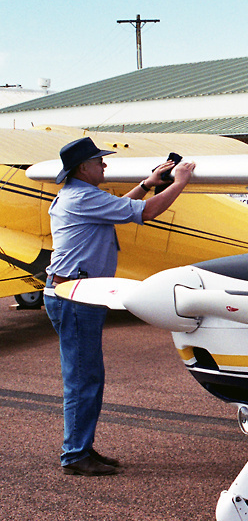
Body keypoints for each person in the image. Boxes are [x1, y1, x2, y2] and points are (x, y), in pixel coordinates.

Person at [44, 137, 196, 476]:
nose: (105, 165)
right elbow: (148, 212)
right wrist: (180, 182)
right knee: (84, 379)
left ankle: (81, 448)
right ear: (84, 168)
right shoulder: (83, 197)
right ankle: (75, 455)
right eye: (99, 161)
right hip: (75, 297)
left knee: (87, 377)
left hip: (72, 293)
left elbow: (120, 209)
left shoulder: (78, 195)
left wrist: (147, 184)